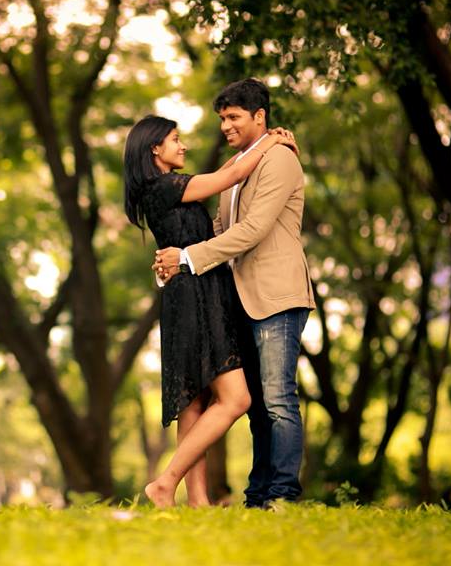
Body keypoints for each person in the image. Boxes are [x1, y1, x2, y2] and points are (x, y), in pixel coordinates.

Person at [154, 78, 315, 508]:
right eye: (222, 119)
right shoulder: (236, 168)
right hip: (240, 299)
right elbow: (224, 229)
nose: (225, 126)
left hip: (277, 295)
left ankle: (282, 494)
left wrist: (187, 256)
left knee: (279, 398)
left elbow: (254, 230)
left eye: (233, 117)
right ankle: (258, 495)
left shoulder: (279, 159)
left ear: (259, 117)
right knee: (258, 404)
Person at [123, 114, 296, 508]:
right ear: (155, 149)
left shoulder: (166, 188)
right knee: (236, 399)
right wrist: (271, 141)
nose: (182, 145)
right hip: (196, 297)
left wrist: (263, 142)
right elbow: (227, 178)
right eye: (175, 139)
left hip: (194, 292)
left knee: (196, 401)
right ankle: (165, 482)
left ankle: (198, 501)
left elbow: (223, 171)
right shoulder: (163, 186)